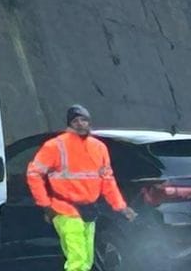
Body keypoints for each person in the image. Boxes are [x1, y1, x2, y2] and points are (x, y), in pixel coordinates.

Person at [26, 105, 138, 271]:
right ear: (69, 124)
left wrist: (121, 207)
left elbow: (108, 181)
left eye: (84, 120)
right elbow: (34, 174)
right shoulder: (55, 146)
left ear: (89, 121)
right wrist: (45, 205)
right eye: (75, 120)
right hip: (65, 209)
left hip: (89, 210)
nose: (80, 124)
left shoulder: (99, 148)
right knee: (77, 261)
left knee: (86, 260)